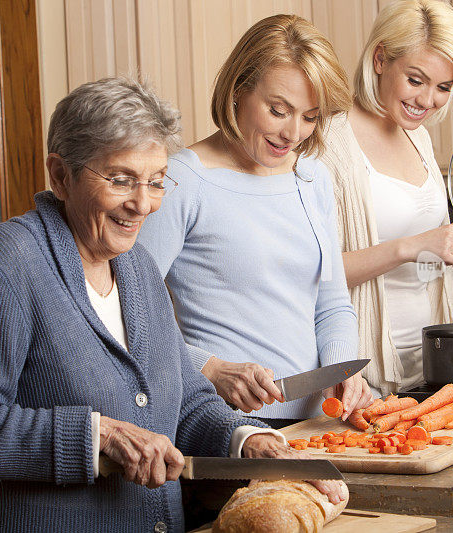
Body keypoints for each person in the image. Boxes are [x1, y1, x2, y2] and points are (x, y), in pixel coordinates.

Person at [0, 77, 345, 533]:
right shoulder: (8, 263)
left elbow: (186, 400)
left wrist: (249, 441)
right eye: (121, 179)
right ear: (61, 175)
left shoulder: (137, 267)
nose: (143, 205)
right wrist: (99, 436)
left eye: (156, 182)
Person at [137, 14, 374, 427]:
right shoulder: (181, 180)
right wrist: (209, 368)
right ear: (238, 89)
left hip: (318, 424)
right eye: (278, 110)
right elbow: (129, 313)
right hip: (225, 423)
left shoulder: (312, 177)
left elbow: (332, 303)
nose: (293, 133)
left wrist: (342, 370)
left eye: (311, 116)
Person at [321, 0, 453, 395]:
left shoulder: (418, 136)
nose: (428, 100)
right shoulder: (330, 142)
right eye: (416, 80)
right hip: (367, 371)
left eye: (444, 87)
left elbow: (431, 244)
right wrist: (410, 247)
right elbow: (320, 274)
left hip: (433, 358)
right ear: (380, 59)